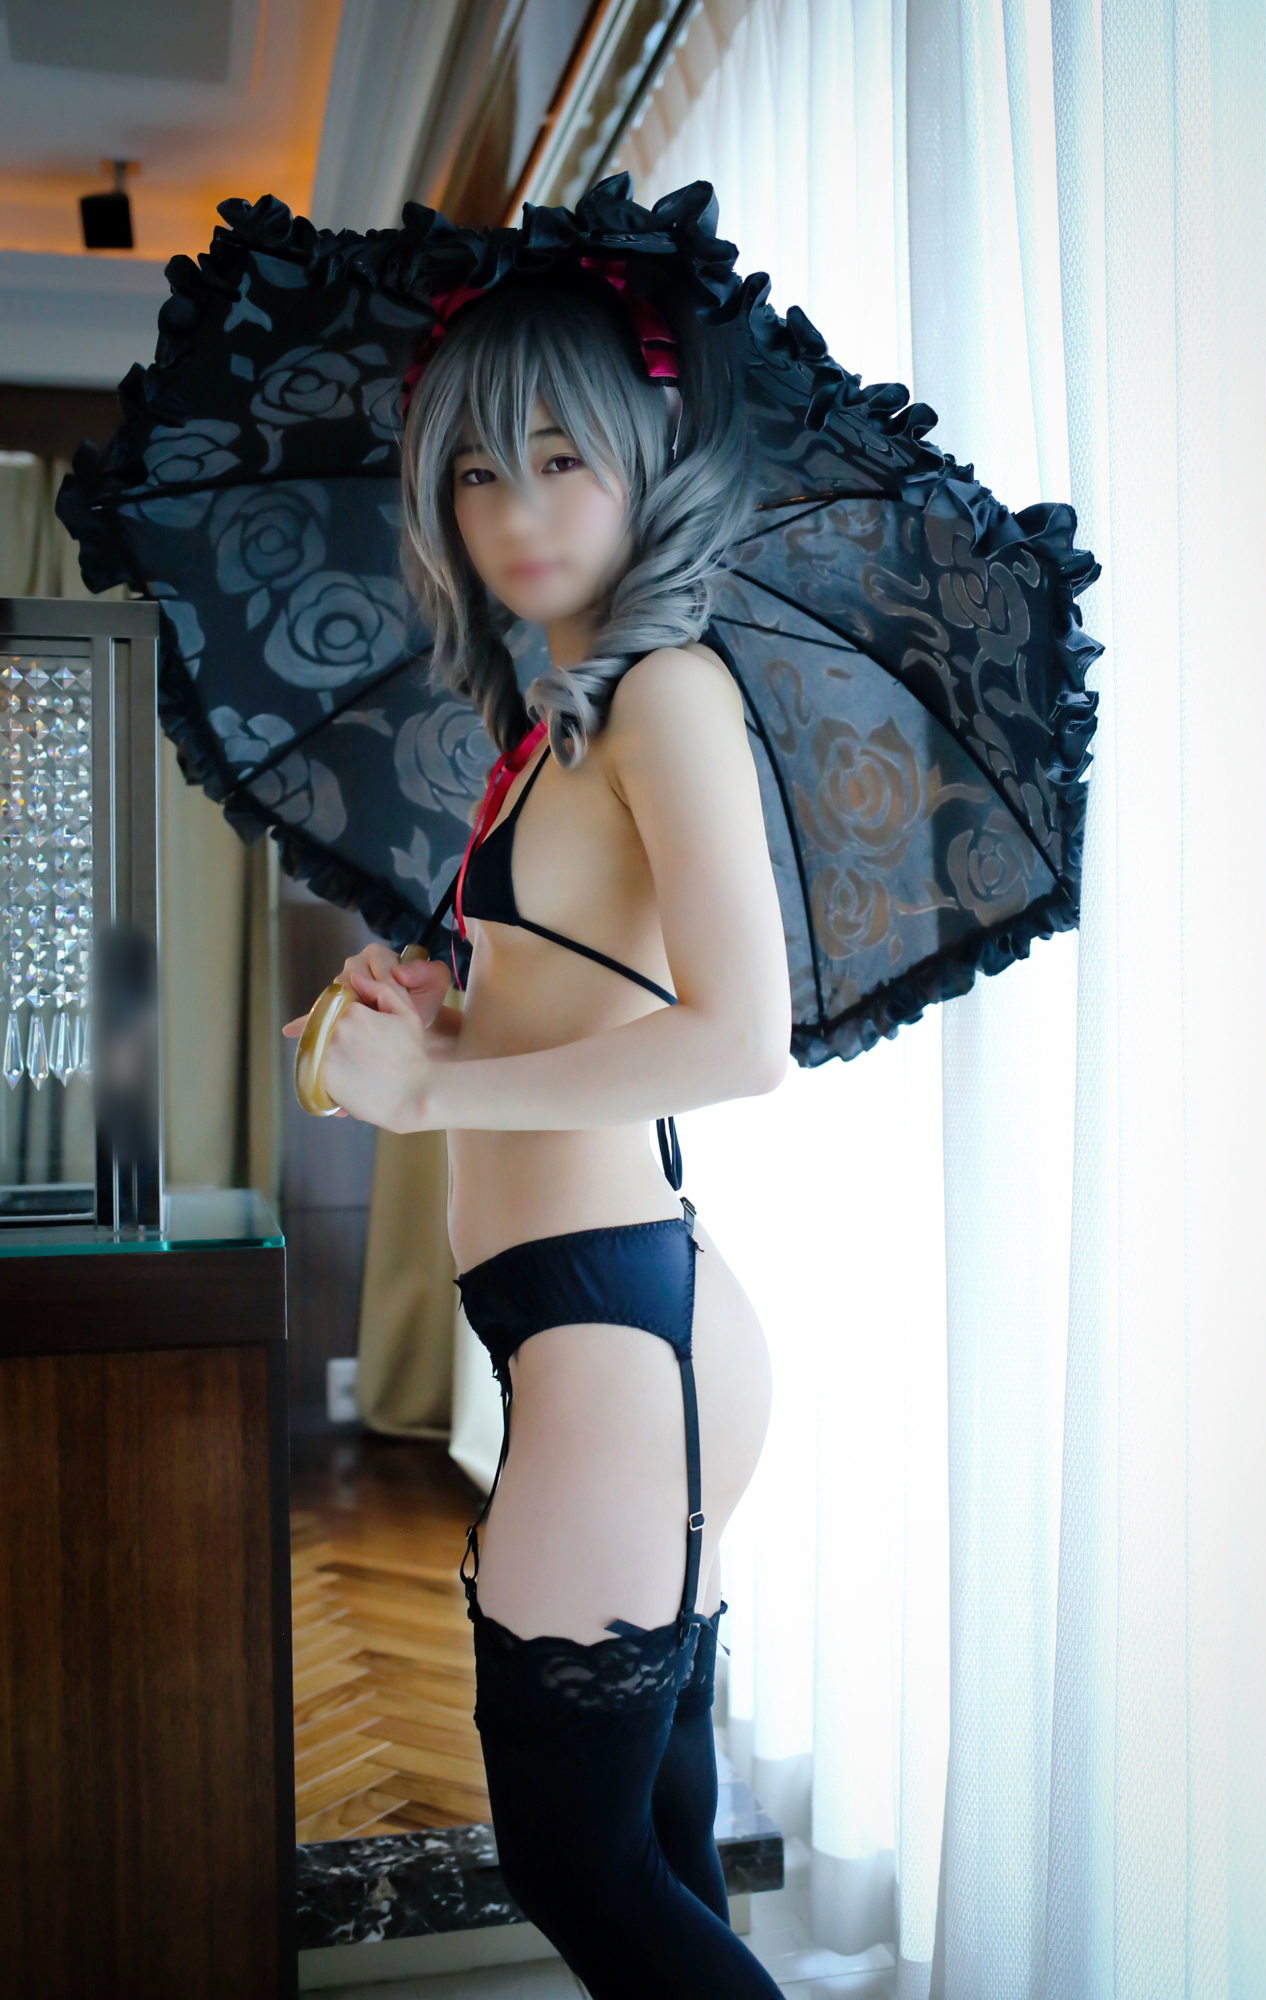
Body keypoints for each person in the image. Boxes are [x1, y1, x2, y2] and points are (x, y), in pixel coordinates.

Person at [283, 272, 792, 1998]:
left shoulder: (666, 692)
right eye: (476, 469)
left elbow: (740, 1040)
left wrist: (431, 1095)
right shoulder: (548, 726)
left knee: (578, 1871)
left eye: (563, 459)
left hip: (615, 1326)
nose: (515, 510)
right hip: (608, 1319)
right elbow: (577, 996)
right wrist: (434, 1004)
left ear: (653, 463)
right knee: (654, 1844)